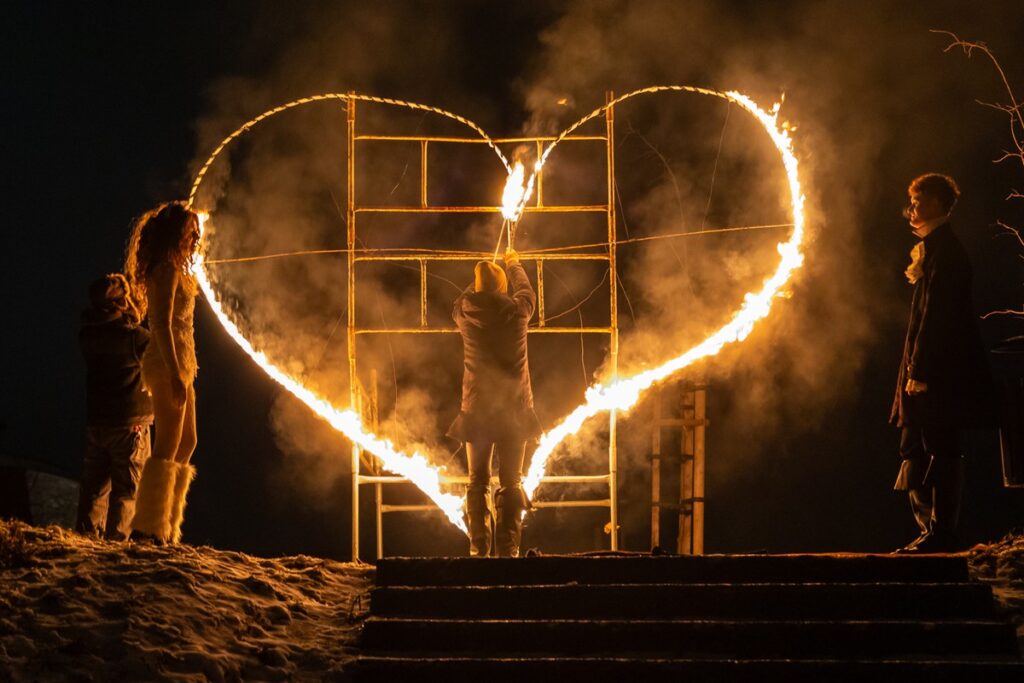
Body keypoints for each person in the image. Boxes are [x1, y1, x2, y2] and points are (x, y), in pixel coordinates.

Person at [891, 173, 993, 553]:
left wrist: (920, 372)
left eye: (917, 202)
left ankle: (941, 533)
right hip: (922, 371)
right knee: (914, 446)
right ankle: (929, 530)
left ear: (935, 203)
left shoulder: (948, 252)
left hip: (938, 375)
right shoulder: (934, 250)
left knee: (941, 446)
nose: (912, 209)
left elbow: (938, 318)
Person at [448, 249, 540, 557]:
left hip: (477, 411)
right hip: (514, 411)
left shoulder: (464, 312)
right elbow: (527, 292)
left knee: (478, 481)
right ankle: (508, 552)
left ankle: (478, 550)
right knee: (511, 481)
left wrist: (478, 279)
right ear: (502, 287)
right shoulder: (518, 312)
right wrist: (513, 264)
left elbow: (461, 299)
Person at [124, 202, 201, 544]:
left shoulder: (179, 270)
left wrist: (183, 372)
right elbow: (160, 325)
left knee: (188, 441)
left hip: (183, 364)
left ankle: (166, 524)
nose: (195, 237)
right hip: (168, 363)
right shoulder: (165, 270)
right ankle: (146, 528)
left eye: (196, 231)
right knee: (168, 444)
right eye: (190, 231)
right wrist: (173, 373)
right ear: (175, 233)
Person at [76, 273, 153, 541]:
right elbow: (161, 357)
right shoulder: (133, 338)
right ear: (120, 303)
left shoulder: (87, 334)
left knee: (93, 489)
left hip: (97, 423)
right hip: (129, 425)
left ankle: (85, 541)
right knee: (127, 490)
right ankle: (116, 545)